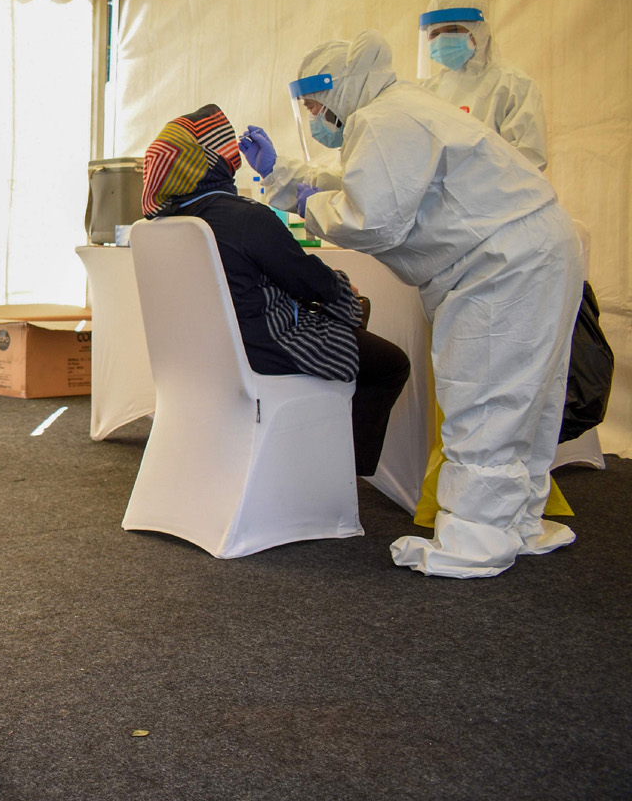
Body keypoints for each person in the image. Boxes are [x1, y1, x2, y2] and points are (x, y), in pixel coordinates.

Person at [239, 30, 581, 578]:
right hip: (537, 248)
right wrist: (284, 178)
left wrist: (309, 203)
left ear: (340, 89)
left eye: (314, 106)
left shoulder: (382, 119)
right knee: (529, 398)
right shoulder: (401, 109)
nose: (314, 118)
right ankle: (515, 522)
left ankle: (474, 541)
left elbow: (370, 217)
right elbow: (367, 182)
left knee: (486, 396)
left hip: (501, 265)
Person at [142, 105, 409, 480]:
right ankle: (341, 478)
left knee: (338, 310)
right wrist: (339, 285)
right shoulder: (246, 216)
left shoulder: (162, 224)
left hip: (200, 357)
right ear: (220, 160)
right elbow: (307, 281)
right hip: (263, 350)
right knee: (390, 362)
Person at [418, 0, 548, 171]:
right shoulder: (427, 90)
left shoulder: (513, 85)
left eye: (453, 30)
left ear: (478, 31)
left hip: (492, 200)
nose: (442, 39)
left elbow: (529, 160)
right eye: (435, 34)